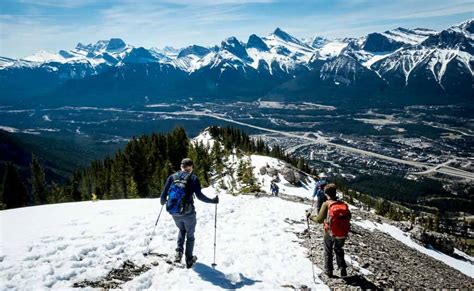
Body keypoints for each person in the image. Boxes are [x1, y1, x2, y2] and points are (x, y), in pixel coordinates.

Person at [160, 158, 219, 268]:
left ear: (181, 166)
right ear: (191, 167)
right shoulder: (193, 178)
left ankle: (178, 253)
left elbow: (163, 197)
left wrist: (164, 201)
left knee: (182, 230)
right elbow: (200, 196)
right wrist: (212, 201)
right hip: (188, 213)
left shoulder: (172, 177)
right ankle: (189, 259)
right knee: (190, 235)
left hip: (174, 212)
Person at [307, 183, 351, 278]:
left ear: (326, 194)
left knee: (328, 250)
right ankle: (342, 268)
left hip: (329, 232)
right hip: (342, 232)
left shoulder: (326, 204)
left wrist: (309, 216)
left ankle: (329, 271)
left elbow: (319, 219)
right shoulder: (343, 204)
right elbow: (349, 217)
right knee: (338, 249)